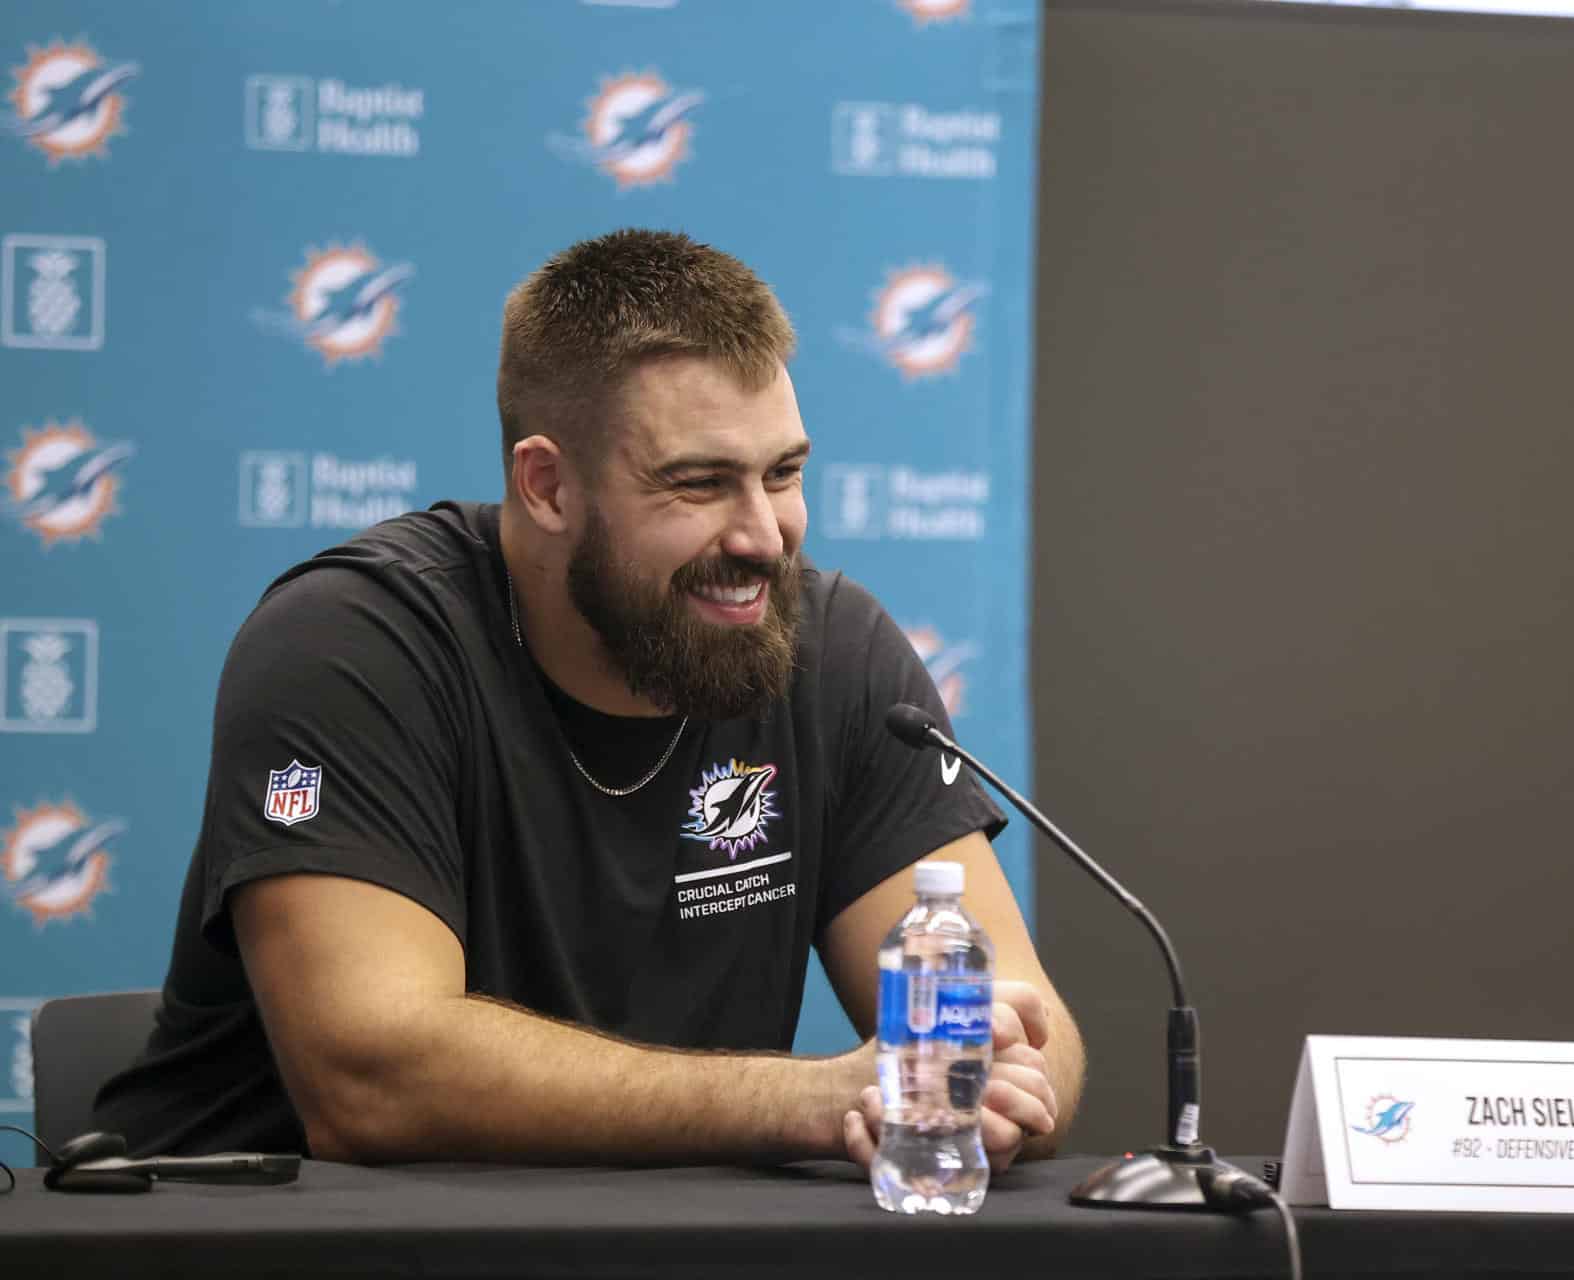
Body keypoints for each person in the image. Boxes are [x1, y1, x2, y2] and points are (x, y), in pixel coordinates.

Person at [93, 229, 1083, 1170]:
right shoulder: (353, 647)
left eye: (782, 474)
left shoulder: (837, 653)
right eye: (699, 484)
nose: (764, 535)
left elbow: (1034, 1029)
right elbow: (371, 1078)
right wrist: (807, 1099)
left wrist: (993, 1089)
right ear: (548, 486)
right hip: (271, 1248)